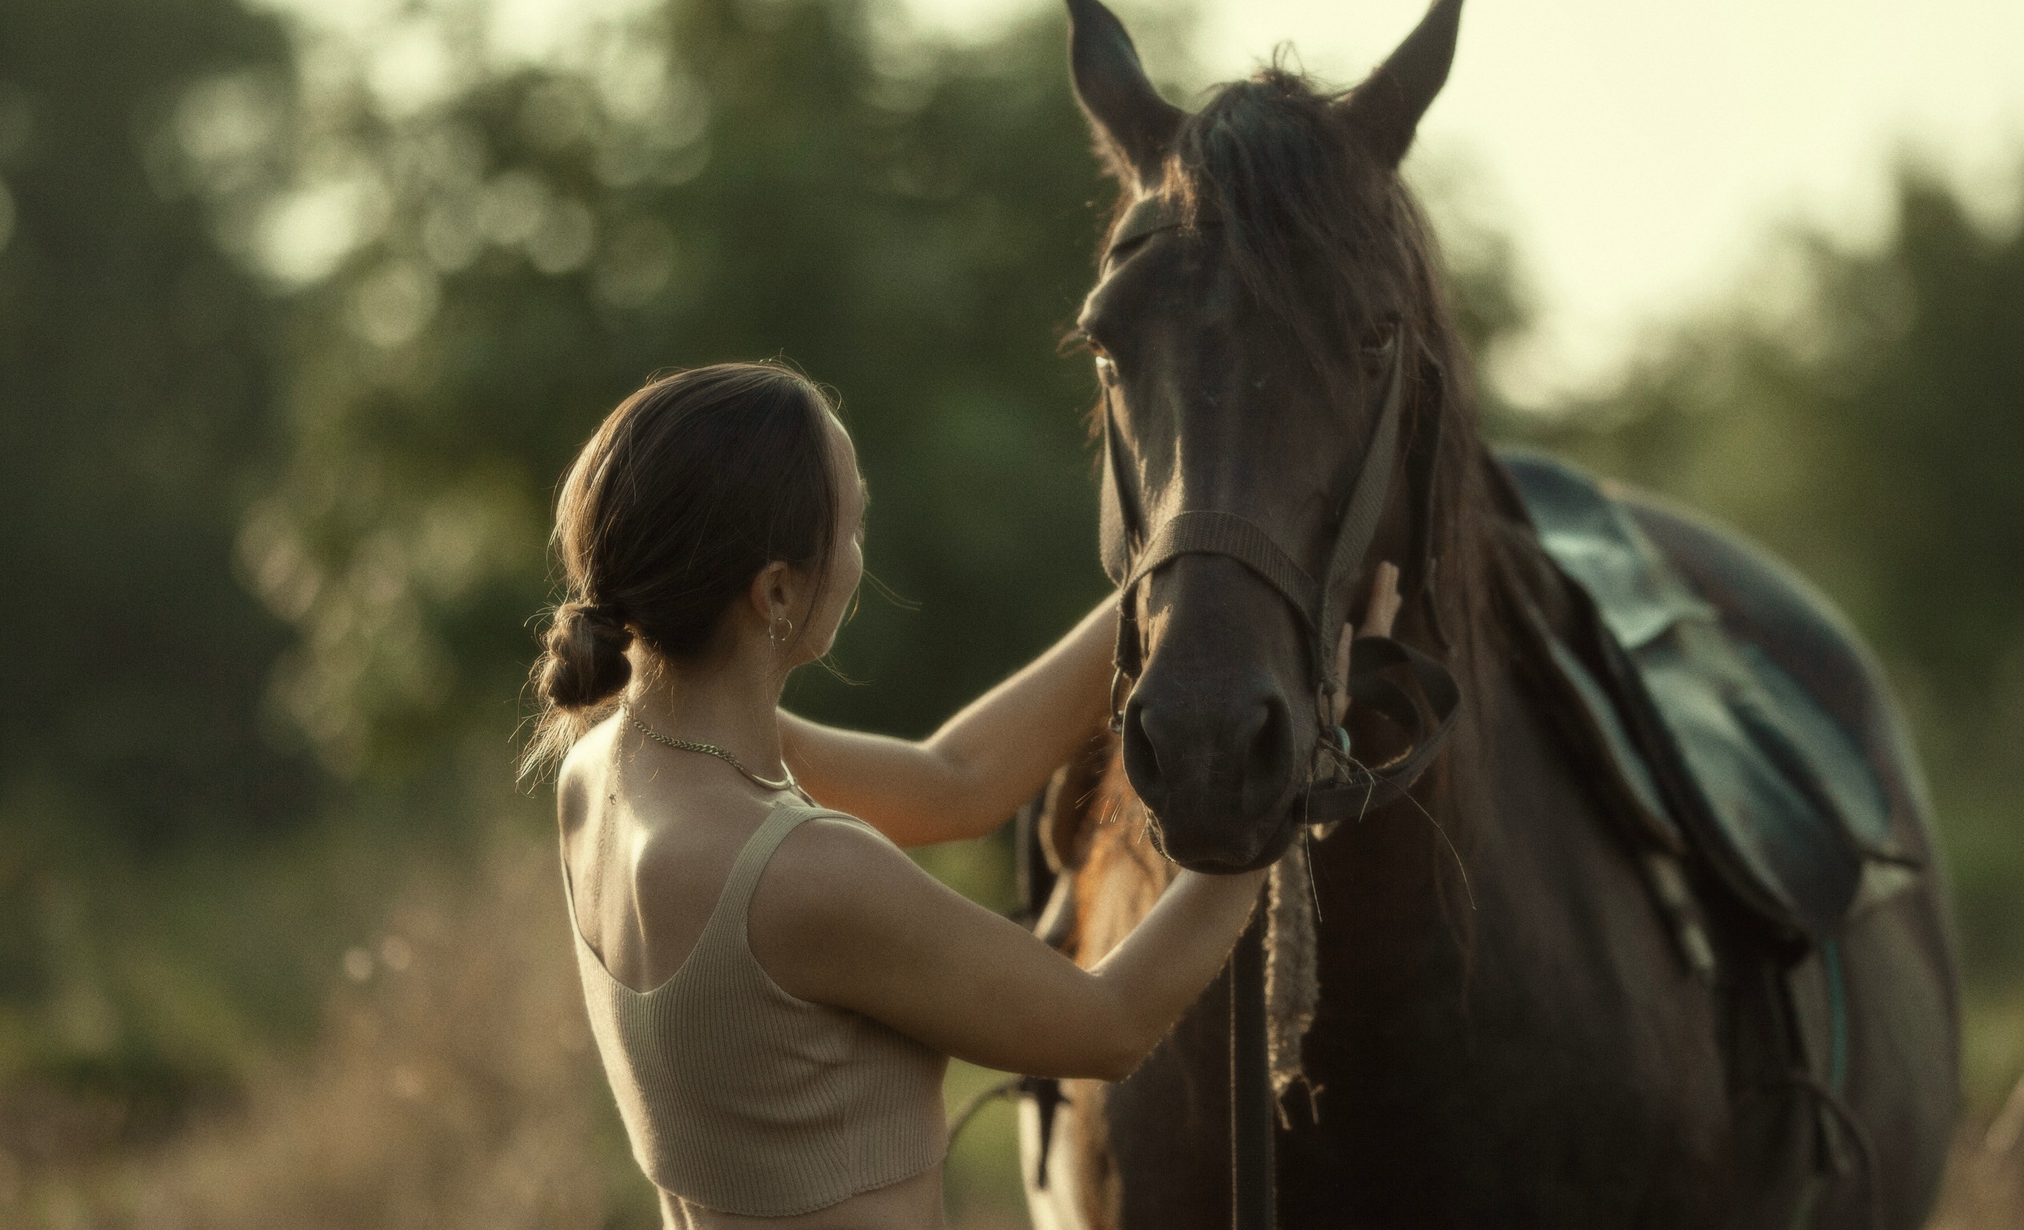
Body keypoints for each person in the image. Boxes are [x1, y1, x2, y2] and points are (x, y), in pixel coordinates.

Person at [524, 362, 1395, 1229]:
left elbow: (958, 782)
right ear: (778, 591)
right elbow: (1109, 1023)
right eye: (853, 526)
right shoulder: (803, 872)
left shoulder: (608, 769)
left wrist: (1186, 579)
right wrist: (1306, 757)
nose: (861, 558)